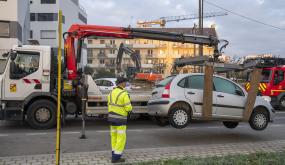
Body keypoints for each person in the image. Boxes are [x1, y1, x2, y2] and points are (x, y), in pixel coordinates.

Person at [107, 76, 133, 163]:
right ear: (122, 83)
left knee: (113, 137)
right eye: (125, 82)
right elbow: (128, 108)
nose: (126, 84)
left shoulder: (111, 93)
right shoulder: (124, 94)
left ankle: (114, 154)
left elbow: (109, 104)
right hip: (120, 119)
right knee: (121, 138)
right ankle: (116, 158)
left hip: (111, 118)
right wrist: (129, 110)